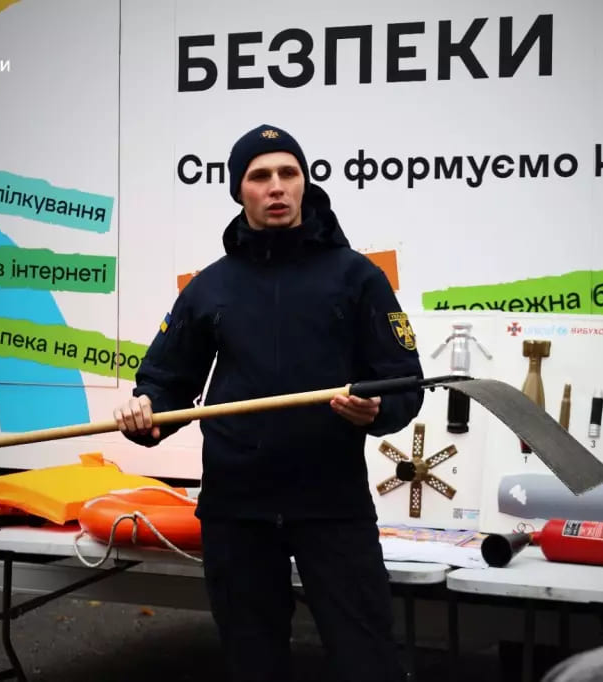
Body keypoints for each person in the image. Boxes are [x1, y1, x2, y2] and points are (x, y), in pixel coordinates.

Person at [114, 123, 424, 681]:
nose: (276, 186)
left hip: (331, 504)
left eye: (288, 173)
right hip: (237, 508)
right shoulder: (210, 286)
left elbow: (402, 380)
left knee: (366, 658)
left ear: (305, 182)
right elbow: (165, 383)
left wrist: (377, 410)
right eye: (260, 176)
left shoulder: (357, 277)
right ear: (239, 190)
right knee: (252, 663)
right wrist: (145, 412)